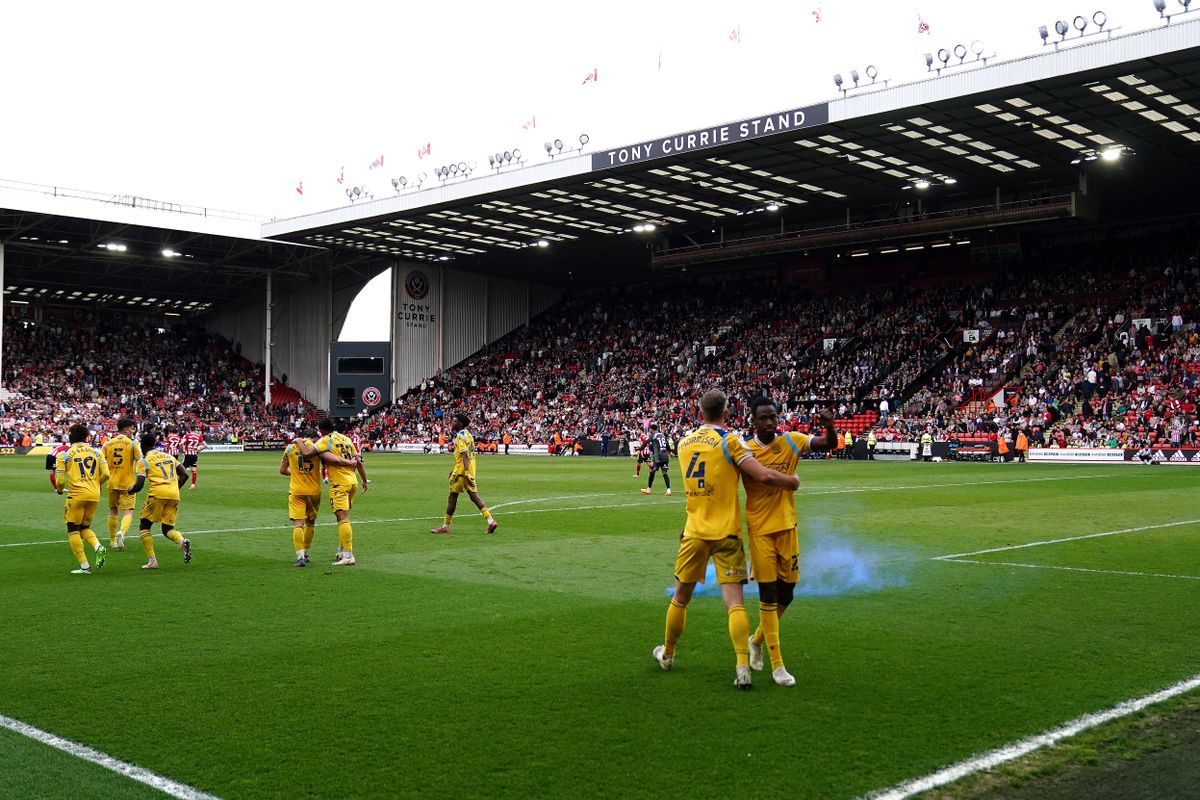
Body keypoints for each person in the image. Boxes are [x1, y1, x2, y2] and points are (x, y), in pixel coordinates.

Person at [651, 389, 800, 690]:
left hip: (694, 530)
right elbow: (764, 476)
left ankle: (667, 654)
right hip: (727, 534)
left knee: (681, 597)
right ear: (727, 413)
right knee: (735, 605)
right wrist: (791, 481)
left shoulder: (683, 443)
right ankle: (742, 666)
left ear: (699, 412)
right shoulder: (730, 440)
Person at [743, 398, 836, 687]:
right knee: (768, 595)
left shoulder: (792, 441)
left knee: (788, 594)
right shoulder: (744, 450)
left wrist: (830, 426)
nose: (770, 422)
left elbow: (827, 444)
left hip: (788, 528)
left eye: (773, 417)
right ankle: (777, 666)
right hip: (760, 531)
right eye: (764, 418)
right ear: (754, 422)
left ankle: (755, 641)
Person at [295, 418, 369, 566]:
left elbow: (308, 453)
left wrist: (298, 441)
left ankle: (348, 555)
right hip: (352, 481)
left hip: (340, 483)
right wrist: (365, 480)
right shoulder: (346, 439)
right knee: (342, 516)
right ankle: (342, 550)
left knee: (343, 518)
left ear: (321, 430)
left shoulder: (326, 440)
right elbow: (358, 461)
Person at [281, 426, 357, 567]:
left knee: (298, 524)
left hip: (296, 490)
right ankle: (308, 552)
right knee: (310, 523)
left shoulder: (290, 448)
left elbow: (282, 470)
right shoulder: (317, 447)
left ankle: (300, 557)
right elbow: (328, 461)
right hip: (314, 491)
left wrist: (297, 473)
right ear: (314, 437)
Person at [128, 431, 192, 569]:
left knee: (144, 526)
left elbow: (139, 485)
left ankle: (152, 561)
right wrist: (175, 488)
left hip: (157, 494)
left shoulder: (143, 461)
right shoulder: (169, 456)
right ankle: (181, 541)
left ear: (142, 445)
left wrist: (130, 490)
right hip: (174, 495)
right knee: (167, 529)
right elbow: (185, 475)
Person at [55, 424, 110, 574]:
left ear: (70, 437)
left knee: (73, 529)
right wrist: (95, 485)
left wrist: (60, 491)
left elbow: (60, 481)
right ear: (86, 436)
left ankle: (85, 566)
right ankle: (98, 546)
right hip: (94, 494)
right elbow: (106, 474)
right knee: (84, 528)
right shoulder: (97, 452)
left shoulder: (64, 455)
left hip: (77, 495)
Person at [431, 412, 498, 535]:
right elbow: (469, 455)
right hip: (470, 470)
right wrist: (464, 470)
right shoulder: (469, 435)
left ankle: (445, 527)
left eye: (455, 421)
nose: (452, 423)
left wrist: (464, 472)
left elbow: (465, 455)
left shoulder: (460, 437)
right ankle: (490, 521)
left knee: (452, 497)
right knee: (474, 496)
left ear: (460, 423)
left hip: (462, 472)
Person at [102, 417, 142, 550]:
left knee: (113, 510)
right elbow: (140, 461)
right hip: (128, 484)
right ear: (125, 429)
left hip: (112, 482)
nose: (133, 430)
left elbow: (101, 462)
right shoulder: (132, 443)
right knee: (128, 512)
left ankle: (113, 540)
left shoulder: (108, 444)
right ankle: (122, 533)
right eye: (132, 428)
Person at [640, 423, 673, 496]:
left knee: (652, 471)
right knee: (664, 473)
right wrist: (670, 452)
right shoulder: (662, 435)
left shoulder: (654, 435)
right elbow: (667, 445)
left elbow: (646, 442)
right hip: (665, 456)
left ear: (651, 429)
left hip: (657, 457)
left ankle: (649, 489)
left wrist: (639, 450)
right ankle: (668, 490)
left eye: (650, 430)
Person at [181, 424, 207, 490]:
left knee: (181, 470)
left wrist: (183, 447)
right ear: (195, 429)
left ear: (190, 429)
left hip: (188, 454)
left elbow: (181, 443)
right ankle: (193, 485)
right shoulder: (199, 436)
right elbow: (205, 445)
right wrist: (198, 450)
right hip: (194, 455)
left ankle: (178, 484)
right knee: (194, 470)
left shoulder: (187, 435)